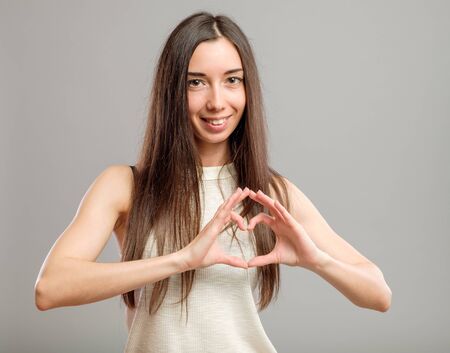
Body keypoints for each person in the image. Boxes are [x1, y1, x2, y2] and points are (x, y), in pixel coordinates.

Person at [34, 11, 392, 353]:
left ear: (247, 88)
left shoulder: (271, 192)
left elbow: (379, 294)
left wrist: (316, 260)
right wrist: (183, 259)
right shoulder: (125, 185)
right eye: (196, 82)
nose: (217, 102)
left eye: (232, 80)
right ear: (172, 89)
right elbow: (50, 289)